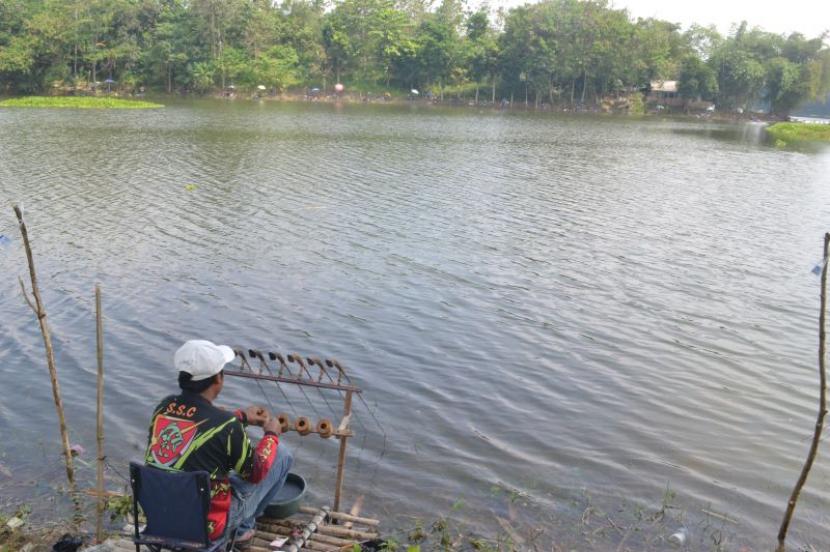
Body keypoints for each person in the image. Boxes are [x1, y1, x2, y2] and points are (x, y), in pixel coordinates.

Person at [144, 339, 293, 545]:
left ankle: (240, 529)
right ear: (218, 379)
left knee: (211, 465)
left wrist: (241, 416)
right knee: (282, 454)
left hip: (162, 516)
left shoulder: (163, 408)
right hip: (204, 526)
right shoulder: (227, 427)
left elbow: (197, 422)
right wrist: (271, 435)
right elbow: (256, 473)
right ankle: (242, 529)